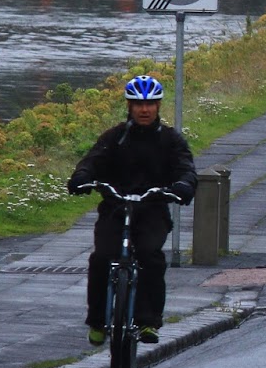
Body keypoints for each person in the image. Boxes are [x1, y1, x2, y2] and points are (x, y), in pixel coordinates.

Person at [67, 76, 197, 347]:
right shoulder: (115, 137)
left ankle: (148, 321)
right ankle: (98, 321)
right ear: (129, 105)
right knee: (101, 258)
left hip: (152, 209)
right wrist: (81, 177)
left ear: (159, 105)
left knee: (151, 256)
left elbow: (185, 167)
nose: (144, 109)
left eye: (150, 103)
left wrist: (184, 185)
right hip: (116, 208)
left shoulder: (170, 140)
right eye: (138, 104)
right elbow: (93, 160)